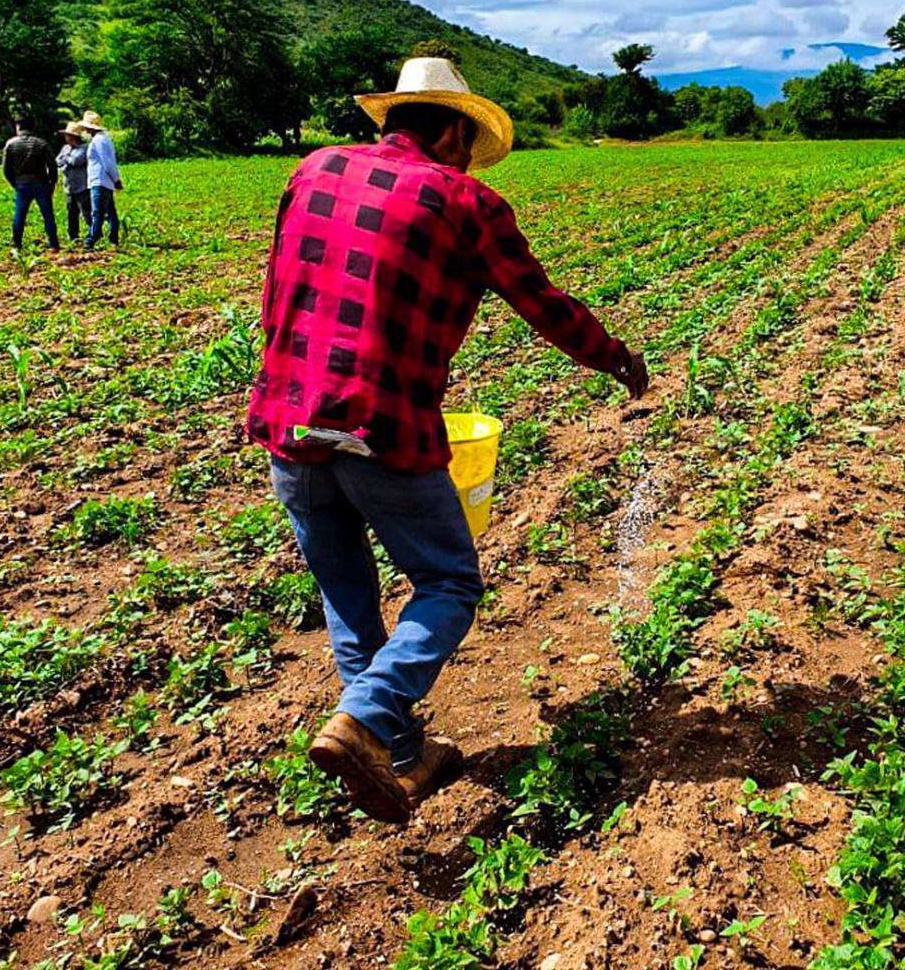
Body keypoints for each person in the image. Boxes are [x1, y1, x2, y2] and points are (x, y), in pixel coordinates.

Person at [247, 57, 648, 824]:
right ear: (454, 130)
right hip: (380, 422)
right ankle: (366, 717)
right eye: (468, 141)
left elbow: (276, 292)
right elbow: (543, 304)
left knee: (349, 599)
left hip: (287, 419)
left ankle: (396, 755)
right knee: (449, 583)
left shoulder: (312, 169)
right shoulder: (464, 200)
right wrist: (614, 356)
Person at [2, 118, 60, 253]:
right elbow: (52, 166)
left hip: (22, 183)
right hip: (41, 183)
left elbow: (6, 169)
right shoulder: (42, 144)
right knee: (47, 215)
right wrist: (52, 182)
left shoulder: (11, 144)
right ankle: (53, 244)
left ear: (19, 127)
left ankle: (17, 244)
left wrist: (14, 183)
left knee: (19, 215)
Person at [78, 110, 121, 249]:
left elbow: (107, 162)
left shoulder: (99, 141)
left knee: (97, 213)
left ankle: (91, 238)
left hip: (100, 180)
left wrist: (116, 179)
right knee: (110, 212)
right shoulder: (103, 139)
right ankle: (113, 239)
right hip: (103, 181)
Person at [56, 121, 92, 242]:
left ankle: (93, 233)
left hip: (82, 186)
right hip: (69, 186)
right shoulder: (65, 148)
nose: (65, 138)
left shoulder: (84, 148)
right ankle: (73, 235)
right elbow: (57, 161)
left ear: (73, 136)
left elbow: (76, 161)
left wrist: (65, 158)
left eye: (67, 135)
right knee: (71, 212)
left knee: (86, 212)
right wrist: (66, 158)